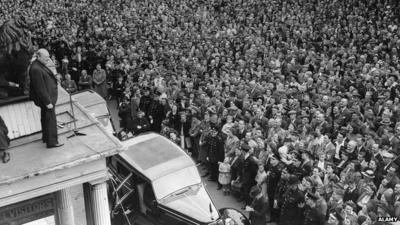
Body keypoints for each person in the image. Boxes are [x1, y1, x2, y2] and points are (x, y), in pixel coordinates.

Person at [29, 48, 63, 148]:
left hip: (48, 98)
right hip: (47, 99)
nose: (47, 60)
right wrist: (47, 102)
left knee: (45, 118)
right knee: (50, 120)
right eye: (45, 58)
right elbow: (40, 88)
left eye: (48, 58)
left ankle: (46, 138)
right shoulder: (35, 69)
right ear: (38, 56)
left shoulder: (39, 64)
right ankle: (52, 142)